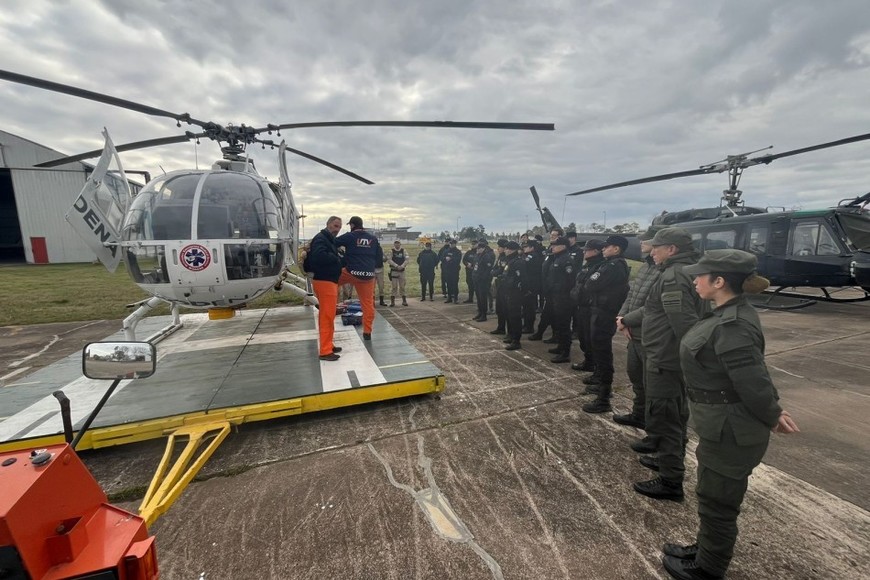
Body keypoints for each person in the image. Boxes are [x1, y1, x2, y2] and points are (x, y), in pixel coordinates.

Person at [661, 249, 799, 580]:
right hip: (720, 425)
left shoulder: (732, 325)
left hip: (732, 430)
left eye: (700, 275)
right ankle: (705, 547)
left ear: (719, 281)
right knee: (711, 493)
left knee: (717, 501)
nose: (694, 280)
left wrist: (772, 412)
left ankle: (708, 568)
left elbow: (753, 381)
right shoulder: (724, 314)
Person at [622, 227, 706, 502]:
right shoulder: (686, 271)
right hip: (667, 356)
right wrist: (627, 319)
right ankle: (667, 459)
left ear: (672, 250)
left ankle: (670, 479)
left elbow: (684, 324)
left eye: (657, 247)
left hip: (666, 358)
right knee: (673, 414)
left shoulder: (673, 276)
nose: (651, 251)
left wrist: (693, 362)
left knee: (665, 417)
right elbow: (653, 308)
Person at [614, 228, 662, 430]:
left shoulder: (663, 271)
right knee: (636, 377)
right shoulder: (646, 267)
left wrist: (627, 320)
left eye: (646, 241)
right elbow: (631, 295)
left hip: (649, 334)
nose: (641, 244)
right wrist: (621, 318)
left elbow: (653, 305)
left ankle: (654, 427)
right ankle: (639, 414)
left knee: (653, 385)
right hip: (634, 331)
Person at [581, 235, 630, 413]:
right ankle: (601, 385)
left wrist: (591, 282)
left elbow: (590, 284)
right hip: (600, 311)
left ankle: (603, 397)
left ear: (616, 249)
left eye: (607, 246)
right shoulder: (609, 264)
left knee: (602, 354)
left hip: (604, 313)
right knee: (599, 351)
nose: (604, 249)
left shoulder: (614, 266)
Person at [335, 216, 381, 341]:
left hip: (350, 272)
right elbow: (379, 257)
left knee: (331, 281)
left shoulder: (350, 236)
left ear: (352, 225)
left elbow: (333, 242)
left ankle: (329, 306)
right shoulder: (373, 239)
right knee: (367, 305)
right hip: (367, 276)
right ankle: (367, 332)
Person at [306, 216, 343, 361]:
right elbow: (319, 256)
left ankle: (329, 344)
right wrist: (337, 258)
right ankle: (325, 351)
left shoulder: (326, 238)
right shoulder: (322, 238)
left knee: (329, 314)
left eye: (339, 227)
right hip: (325, 281)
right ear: (328, 224)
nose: (337, 229)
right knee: (327, 316)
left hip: (327, 280)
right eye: (335, 225)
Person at [570, 239, 605, 374]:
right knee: (583, 337)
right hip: (581, 305)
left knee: (591, 338)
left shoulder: (600, 266)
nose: (584, 252)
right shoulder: (588, 265)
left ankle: (594, 364)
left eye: (587, 249)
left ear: (596, 251)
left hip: (591, 307)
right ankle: (589, 361)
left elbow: (592, 286)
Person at [542, 236, 574, 363]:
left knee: (564, 325)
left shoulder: (567, 260)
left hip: (563, 297)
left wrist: (555, 288)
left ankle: (565, 353)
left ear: (563, 246)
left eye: (555, 245)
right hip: (555, 296)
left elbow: (569, 282)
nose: (552, 247)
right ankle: (560, 347)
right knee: (558, 324)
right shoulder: (557, 258)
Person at [501, 241, 526, 351]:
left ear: (512, 250)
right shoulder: (510, 261)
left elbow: (519, 279)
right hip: (509, 291)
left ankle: (516, 340)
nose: (505, 250)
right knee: (509, 315)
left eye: (507, 249)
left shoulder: (518, 262)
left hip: (515, 292)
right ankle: (511, 335)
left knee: (515, 316)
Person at [521, 241, 543, 333]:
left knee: (529, 307)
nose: (524, 248)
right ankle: (526, 324)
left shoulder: (532, 256)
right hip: (529, 284)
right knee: (526, 307)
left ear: (532, 248)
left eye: (527, 247)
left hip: (532, 285)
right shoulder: (528, 256)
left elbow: (525, 265)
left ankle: (529, 327)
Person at [472, 241, 495, 322]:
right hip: (476, 279)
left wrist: (483, 278)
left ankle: (484, 315)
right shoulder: (477, 255)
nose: (477, 249)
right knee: (478, 298)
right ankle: (480, 312)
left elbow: (488, 269)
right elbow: (475, 266)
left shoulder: (486, 256)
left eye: (479, 248)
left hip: (482, 281)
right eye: (477, 248)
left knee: (483, 298)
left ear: (483, 248)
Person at [489, 239, 509, 332]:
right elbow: (495, 268)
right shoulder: (500, 257)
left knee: (505, 309)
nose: (498, 249)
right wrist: (494, 272)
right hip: (499, 284)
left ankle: (507, 330)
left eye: (499, 247)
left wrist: (495, 272)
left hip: (505, 286)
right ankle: (500, 328)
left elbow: (501, 271)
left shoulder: (506, 258)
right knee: (499, 308)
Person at [387, 239, 409, 307]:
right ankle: (392, 302)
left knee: (402, 286)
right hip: (394, 271)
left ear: (400, 244)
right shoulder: (391, 251)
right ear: (394, 244)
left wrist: (402, 266)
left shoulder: (404, 251)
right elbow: (389, 260)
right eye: (396, 243)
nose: (397, 244)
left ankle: (404, 301)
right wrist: (396, 265)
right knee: (394, 287)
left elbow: (407, 259)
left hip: (402, 271)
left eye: (398, 243)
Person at [375, 241, 387, 306]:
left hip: (380, 269)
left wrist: (384, 255)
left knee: (381, 286)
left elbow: (384, 259)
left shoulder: (380, 249)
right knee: (372, 287)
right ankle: (372, 301)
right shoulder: (371, 249)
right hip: (373, 269)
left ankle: (381, 301)